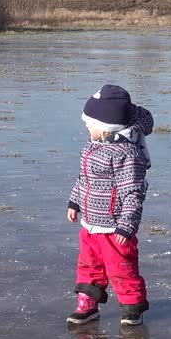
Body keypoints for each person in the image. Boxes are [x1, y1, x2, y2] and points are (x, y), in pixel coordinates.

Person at [66, 85, 153, 326]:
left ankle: (132, 307)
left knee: (121, 268)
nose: (86, 126)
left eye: (89, 122)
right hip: (90, 223)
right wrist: (75, 201)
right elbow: (83, 179)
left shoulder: (127, 154)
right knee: (88, 265)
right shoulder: (91, 148)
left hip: (115, 228)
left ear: (106, 127)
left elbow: (133, 193)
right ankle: (87, 304)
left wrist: (127, 225)